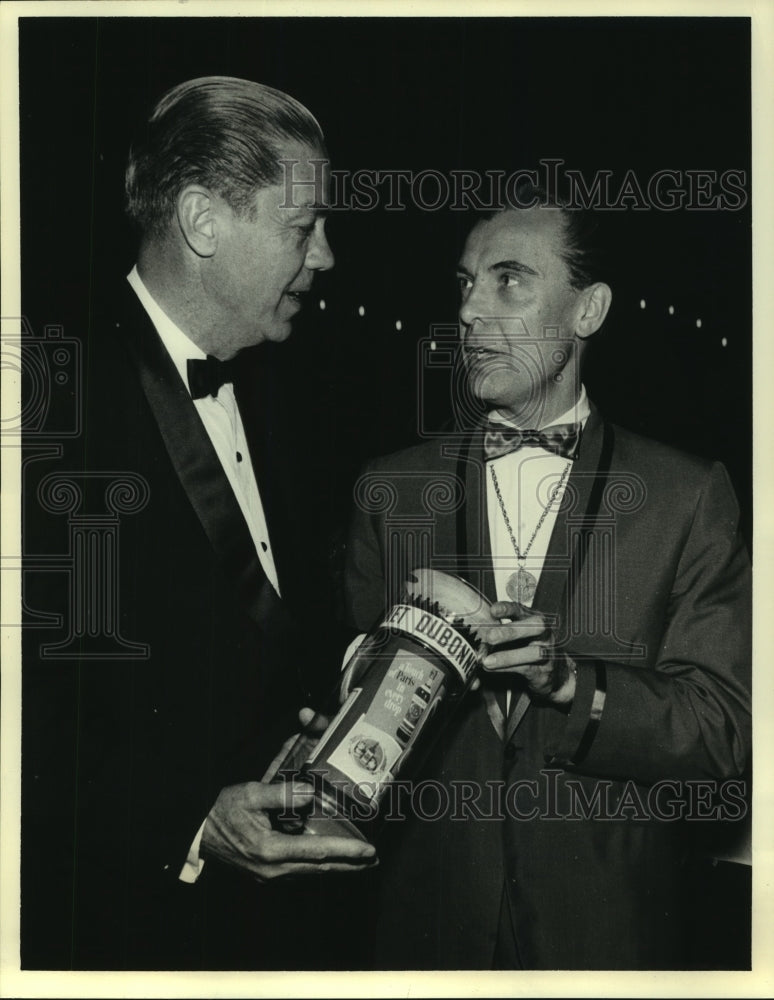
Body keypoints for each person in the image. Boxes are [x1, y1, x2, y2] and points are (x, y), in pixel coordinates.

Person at [343, 186, 752, 970]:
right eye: (465, 284)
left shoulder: (688, 494)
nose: (469, 312)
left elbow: (725, 733)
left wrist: (572, 684)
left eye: (509, 280)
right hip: (421, 938)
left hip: (606, 939)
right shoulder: (387, 490)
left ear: (588, 310)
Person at [21, 76, 375, 971]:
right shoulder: (44, 409)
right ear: (203, 222)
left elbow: (273, 631)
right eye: (303, 229)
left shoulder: (285, 391)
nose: (328, 257)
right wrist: (192, 818)